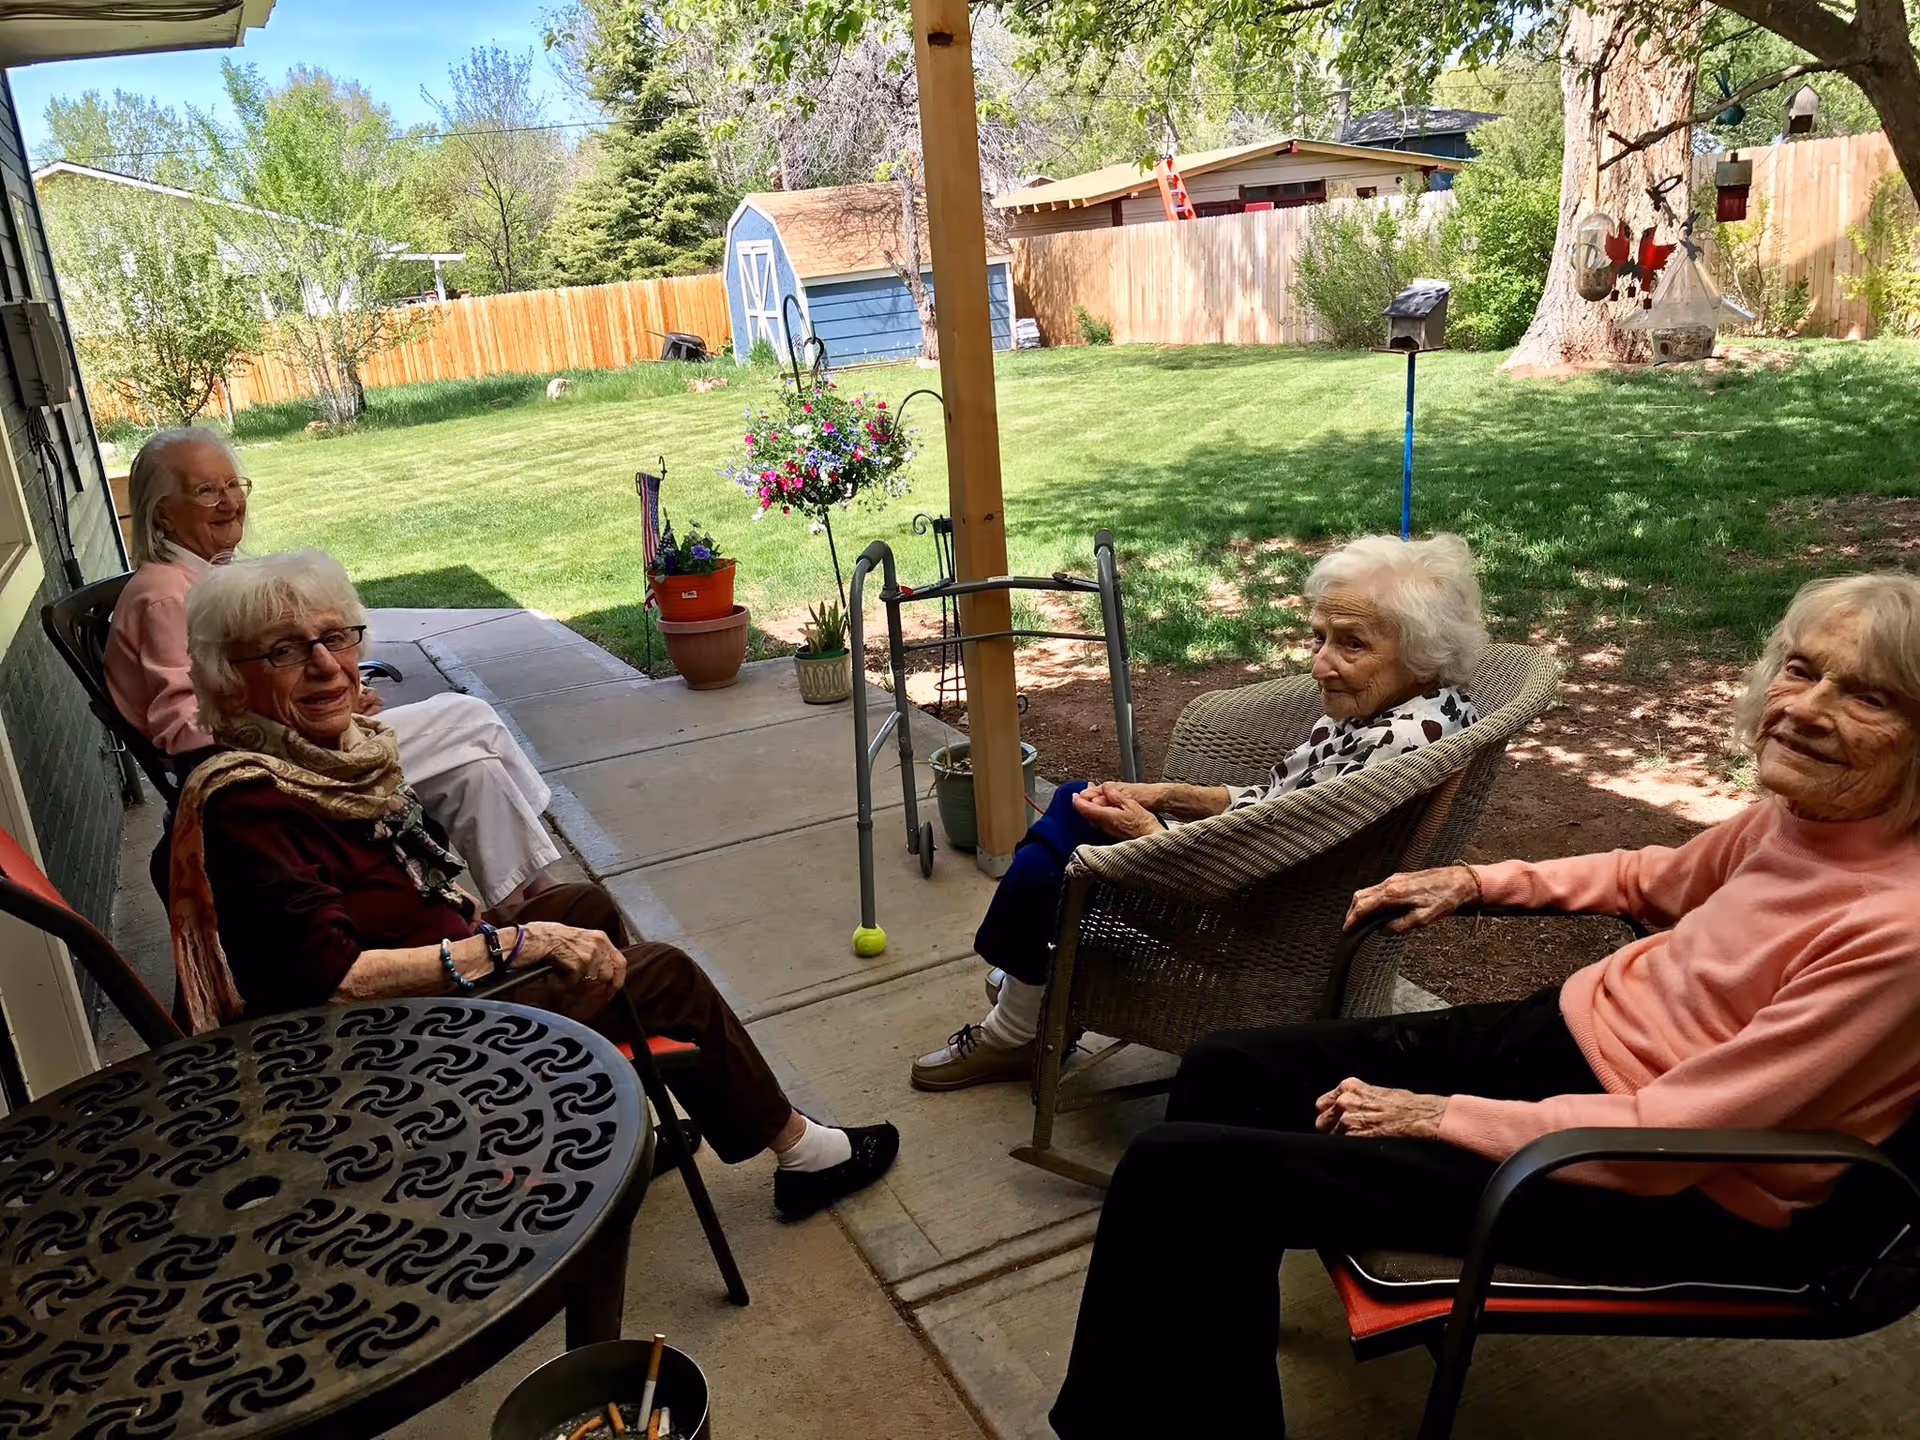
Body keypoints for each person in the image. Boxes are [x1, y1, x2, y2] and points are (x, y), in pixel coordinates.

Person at [1048, 571, 1920, 1438]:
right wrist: (1476, 878)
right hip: (1571, 1047)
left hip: (1660, 1178)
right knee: (1226, 1065)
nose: (1805, 709)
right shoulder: (1806, 817)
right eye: (1802, 671)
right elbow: (1649, 877)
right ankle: (1208, 1381)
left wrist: (1442, 1117)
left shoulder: (1898, 934)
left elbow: (1675, 1135)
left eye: (1870, 696)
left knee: (1179, 1173)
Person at [167, 550, 897, 1221]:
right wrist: (515, 943)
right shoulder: (248, 803)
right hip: (399, 1042)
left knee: (584, 906)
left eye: (339, 639)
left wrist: (512, 932)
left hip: (439, 990)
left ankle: (601, 1125)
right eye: (286, 652)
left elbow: (404, 876)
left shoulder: (321, 762)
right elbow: (334, 982)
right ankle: (803, 1155)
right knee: (664, 976)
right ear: (231, 679)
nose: (327, 666)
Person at [912, 532, 1488, 1090]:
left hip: (1250, 898)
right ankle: (1024, 981)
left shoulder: (1399, 743)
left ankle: (1014, 1023)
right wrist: (1162, 797)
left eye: (1351, 644)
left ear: (1421, 652)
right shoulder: (1395, 702)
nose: (1319, 665)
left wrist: (1150, 834)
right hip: (1258, 852)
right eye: (1319, 638)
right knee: (1076, 800)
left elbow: (1287, 852)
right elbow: (1282, 803)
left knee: (1057, 865)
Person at [105, 427, 561, 913]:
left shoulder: (202, 578)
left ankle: (530, 902)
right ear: (163, 515)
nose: (229, 502)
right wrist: (309, 717)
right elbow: (183, 730)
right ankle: (541, 903)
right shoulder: (166, 596)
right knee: (469, 718)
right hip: (277, 772)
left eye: (233, 484)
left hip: (306, 746)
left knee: (474, 767)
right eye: (206, 490)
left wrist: (333, 699)